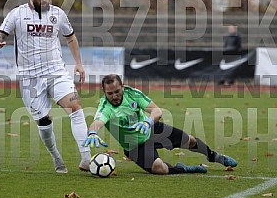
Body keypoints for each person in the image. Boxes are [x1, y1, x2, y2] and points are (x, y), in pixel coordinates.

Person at [0, 0, 91, 173]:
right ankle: (56, 158)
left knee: (75, 108)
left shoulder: (58, 14)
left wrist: (78, 63)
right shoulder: (17, 14)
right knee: (44, 121)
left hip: (56, 71)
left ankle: (86, 158)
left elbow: (70, 37)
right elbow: (1, 32)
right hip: (30, 78)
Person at [83, 74, 238, 175]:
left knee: (189, 141)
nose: (115, 96)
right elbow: (97, 122)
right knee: (160, 169)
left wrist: (148, 121)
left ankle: (214, 156)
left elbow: (156, 111)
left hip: (152, 129)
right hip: (135, 146)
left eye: (117, 91)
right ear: (104, 93)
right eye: (110, 94)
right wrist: (92, 133)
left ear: (122, 86)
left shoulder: (133, 94)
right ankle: (183, 168)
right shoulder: (106, 107)